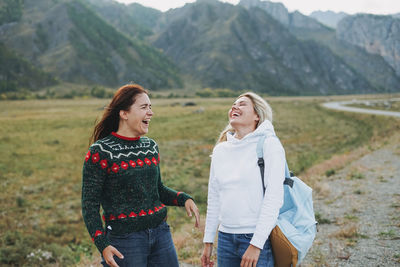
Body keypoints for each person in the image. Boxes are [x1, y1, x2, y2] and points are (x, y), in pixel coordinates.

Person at [81, 84, 200, 267]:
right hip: (124, 241)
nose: (150, 112)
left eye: (151, 107)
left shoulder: (150, 146)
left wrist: (183, 198)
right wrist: (103, 245)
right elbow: (90, 206)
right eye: (144, 107)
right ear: (124, 113)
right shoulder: (100, 152)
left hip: (161, 234)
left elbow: (157, 190)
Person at [201, 92, 285, 267]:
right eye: (233, 104)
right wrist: (208, 241)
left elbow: (274, 197)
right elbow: (214, 196)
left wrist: (256, 244)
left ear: (257, 115)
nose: (234, 107)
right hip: (225, 239)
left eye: (242, 104)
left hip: (255, 237)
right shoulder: (220, 150)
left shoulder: (269, 144)